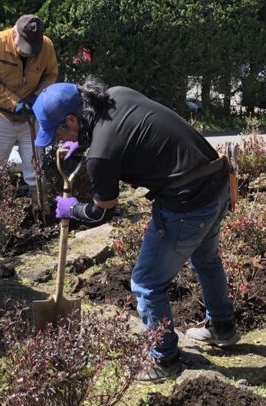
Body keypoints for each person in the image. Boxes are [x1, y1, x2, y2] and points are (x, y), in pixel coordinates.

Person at [32, 80, 239, 381]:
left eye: (60, 132)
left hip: (188, 203)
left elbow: (103, 211)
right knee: (206, 260)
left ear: (73, 120)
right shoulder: (116, 95)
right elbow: (125, 136)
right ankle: (223, 327)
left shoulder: (100, 155)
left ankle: (164, 359)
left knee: (146, 283)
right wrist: (83, 144)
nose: (57, 141)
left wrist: (72, 209)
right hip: (216, 181)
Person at [0, 14, 59, 203]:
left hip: (31, 118)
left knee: (35, 169)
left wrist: (38, 96)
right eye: (23, 48)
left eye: (32, 50)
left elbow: (51, 75)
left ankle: (41, 210)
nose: (27, 53)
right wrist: (13, 102)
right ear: (14, 33)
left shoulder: (46, 47)